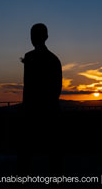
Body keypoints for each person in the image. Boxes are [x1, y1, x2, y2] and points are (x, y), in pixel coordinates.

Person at [18, 23, 63, 174]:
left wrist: (26, 106)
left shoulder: (30, 57)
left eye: (32, 34)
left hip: (32, 108)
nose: (31, 38)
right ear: (47, 37)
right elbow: (57, 87)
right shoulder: (54, 59)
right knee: (51, 147)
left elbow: (28, 85)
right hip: (49, 108)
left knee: (27, 146)